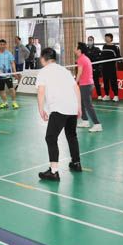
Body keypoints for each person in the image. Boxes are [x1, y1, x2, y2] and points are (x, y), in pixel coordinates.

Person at [36, 48, 82, 181]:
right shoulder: (64, 70)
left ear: (43, 58)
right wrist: (78, 107)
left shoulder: (43, 72)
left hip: (59, 108)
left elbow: (41, 92)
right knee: (71, 135)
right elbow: (76, 87)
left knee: (50, 138)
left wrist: (41, 109)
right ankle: (76, 163)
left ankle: (54, 171)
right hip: (72, 107)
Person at [75, 42, 102, 132]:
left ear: (79, 50)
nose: (74, 49)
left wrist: (75, 83)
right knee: (82, 103)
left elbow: (79, 73)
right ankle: (85, 121)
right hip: (87, 84)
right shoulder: (85, 58)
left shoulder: (81, 59)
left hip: (86, 85)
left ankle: (97, 124)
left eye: (75, 48)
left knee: (88, 105)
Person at [0, 39, 18, 110]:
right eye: (1, 44)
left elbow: (12, 63)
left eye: (4, 44)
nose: (2, 46)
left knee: (11, 88)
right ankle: (5, 103)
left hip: (8, 74)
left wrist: (14, 72)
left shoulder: (9, 53)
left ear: (5, 45)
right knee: (1, 90)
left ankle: (14, 102)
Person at [100, 33, 120, 102]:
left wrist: (118, 59)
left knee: (113, 81)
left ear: (111, 38)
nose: (106, 38)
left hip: (111, 67)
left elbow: (118, 57)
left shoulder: (115, 47)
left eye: (108, 37)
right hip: (104, 67)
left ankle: (116, 95)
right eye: (105, 37)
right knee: (105, 81)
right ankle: (107, 95)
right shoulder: (104, 46)